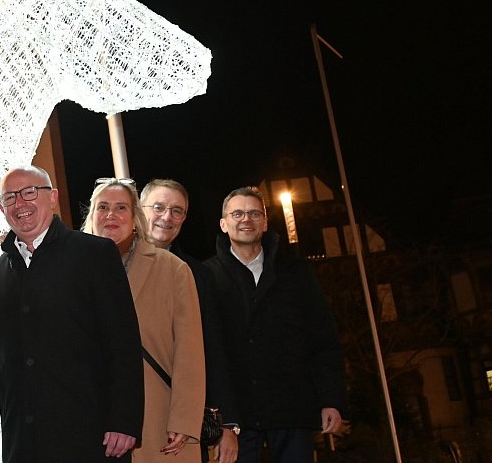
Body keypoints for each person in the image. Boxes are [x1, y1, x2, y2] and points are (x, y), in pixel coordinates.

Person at [0, 165, 144, 462]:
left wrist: (124, 420)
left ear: (52, 198)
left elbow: (123, 343)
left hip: (91, 434)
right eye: (9, 197)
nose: (20, 203)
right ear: (2, 209)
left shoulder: (94, 254)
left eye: (29, 192)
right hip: (24, 438)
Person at [204, 186, 347, 463]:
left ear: (265, 222)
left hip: (293, 409)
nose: (246, 219)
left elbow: (323, 339)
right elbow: (207, 352)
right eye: (237, 214)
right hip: (236, 418)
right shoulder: (205, 276)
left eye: (254, 213)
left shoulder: (297, 273)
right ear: (223, 224)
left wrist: (331, 399)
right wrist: (221, 417)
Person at [83, 178, 205, 462]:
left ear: (136, 218)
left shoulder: (172, 269)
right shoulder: (70, 271)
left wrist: (184, 419)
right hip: (89, 420)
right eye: (103, 207)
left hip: (157, 420)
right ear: (91, 216)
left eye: (121, 207)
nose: (111, 215)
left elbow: (190, 352)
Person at [139, 178, 239, 463]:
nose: (167, 217)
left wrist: (227, 423)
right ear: (139, 209)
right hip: (128, 417)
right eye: (158, 207)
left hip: (182, 418)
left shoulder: (197, 274)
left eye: (177, 211)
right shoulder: (109, 266)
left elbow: (213, 348)